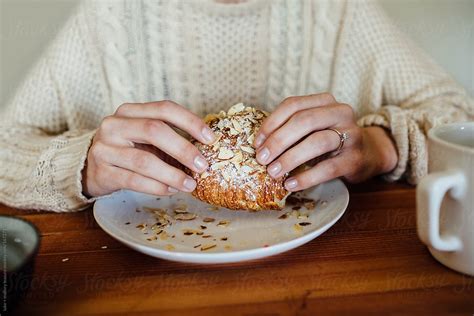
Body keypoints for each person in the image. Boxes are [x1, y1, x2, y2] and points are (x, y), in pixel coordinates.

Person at [0, 0, 472, 212]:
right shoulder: (108, 17)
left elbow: (461, 122)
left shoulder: (340, 11)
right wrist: (82, 164)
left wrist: (379, 146)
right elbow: (6, 149)